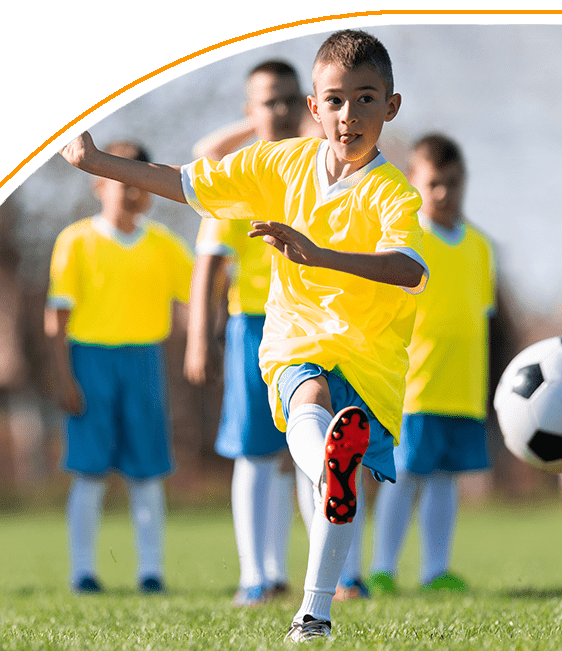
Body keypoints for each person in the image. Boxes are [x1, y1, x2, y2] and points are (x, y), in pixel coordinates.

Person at [58, 29, 428, 642]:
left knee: (332, 465)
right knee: (311, 412)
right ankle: (322, 511)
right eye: (334, 100)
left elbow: (409, 269)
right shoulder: (279, 164)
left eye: (366, 99)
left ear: (390, 106)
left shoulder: (394, 193)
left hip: (371, 354)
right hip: (296, 340)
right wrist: (96, 163)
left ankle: (316, 610)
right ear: (314, 108)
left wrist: (318, 255)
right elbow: (186, 182)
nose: (349, 115)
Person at [184, 60, 308, 607]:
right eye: (266, 101)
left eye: (288, 99)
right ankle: (255, 575)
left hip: (314, 326)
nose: (279, 111)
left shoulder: (322, 167)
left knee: (310, 448)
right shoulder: (236, 173)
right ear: (249, 110)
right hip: (254, 325)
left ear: (306, 103)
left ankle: (330, 574)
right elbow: (210, 262)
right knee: (256, 451)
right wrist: (197, 336)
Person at [45, 141, 193, 595]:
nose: (130, 194)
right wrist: (63, 375)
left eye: (137, 183)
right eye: (119, 182)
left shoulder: (165, 245)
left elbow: (195, 300)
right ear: (98, 185)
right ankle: (82, 573)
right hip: (91, 363)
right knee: (89, 472)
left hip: (145, 363)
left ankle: (151, 572)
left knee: (146, 472)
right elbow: (57, 317)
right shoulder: (75, 241)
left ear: (149, 190)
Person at [368, 134, 495, 594]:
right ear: (415, 183)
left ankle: (434, 571)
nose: (444, 193)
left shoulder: (481, 247)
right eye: (434, 183)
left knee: (445, 479)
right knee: (404, 477)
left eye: (453, 183)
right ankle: (382, 567)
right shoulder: (407, 240)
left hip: (462, 388)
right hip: (415, 386)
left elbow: (479, 317)